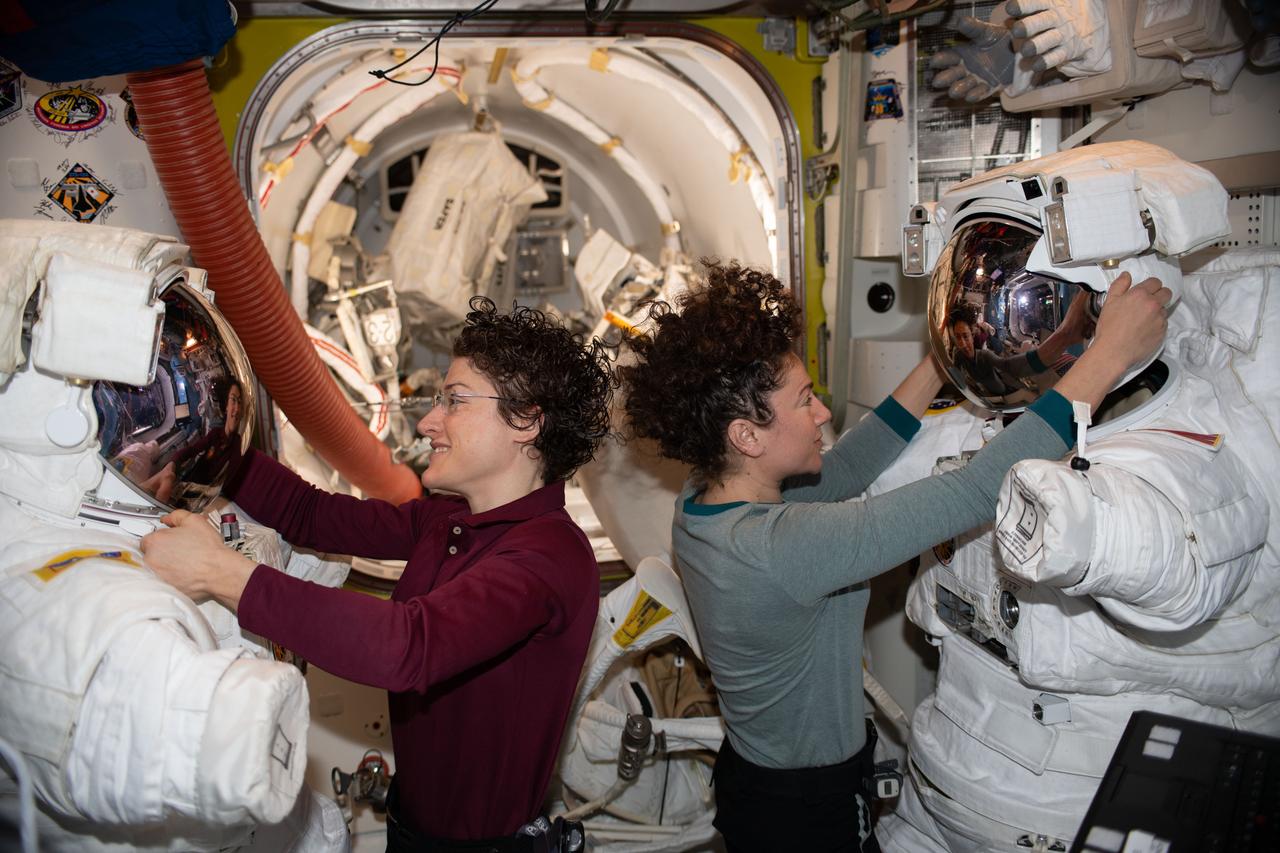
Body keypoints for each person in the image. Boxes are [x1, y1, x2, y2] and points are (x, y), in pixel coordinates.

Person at [617, 260, 1169, 853]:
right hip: (803, 811)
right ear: (747, 436)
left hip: (758, 782)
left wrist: (943, 359)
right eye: (804, 401)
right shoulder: (782, 548)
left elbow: (849, 466)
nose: (823, 413)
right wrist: (1107, 355)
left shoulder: (703, 499)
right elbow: (980, 490)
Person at [142, 297, 614, 852]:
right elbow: (311, 515)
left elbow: (407, 648)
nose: (431, 421)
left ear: (527, 421)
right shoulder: (449, 520)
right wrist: (212, 438)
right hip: (412, 828)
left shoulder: (550, 556)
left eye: (455, 402)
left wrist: (222, 574)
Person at [946, 295, 1089, 401]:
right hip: (986, 395)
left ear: (972, 335)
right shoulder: (958, 356)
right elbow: (957, 378)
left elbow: (1009, 365)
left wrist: (1059, 341)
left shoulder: (984, 356)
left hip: (1001, 392)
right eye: (958, 337)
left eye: (965, 336)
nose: (963, 344)